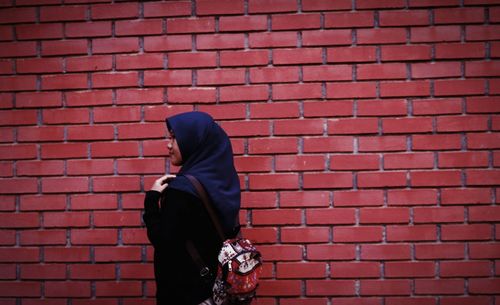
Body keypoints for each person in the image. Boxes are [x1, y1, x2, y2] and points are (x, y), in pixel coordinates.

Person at [143, 111, 241, 305]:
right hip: (217, 294)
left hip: (185, 294)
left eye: (174, 137)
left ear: (193, 141)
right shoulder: (224, 183)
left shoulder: (181, 191)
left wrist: (151, 201)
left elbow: (163, 243)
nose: (168, 144)